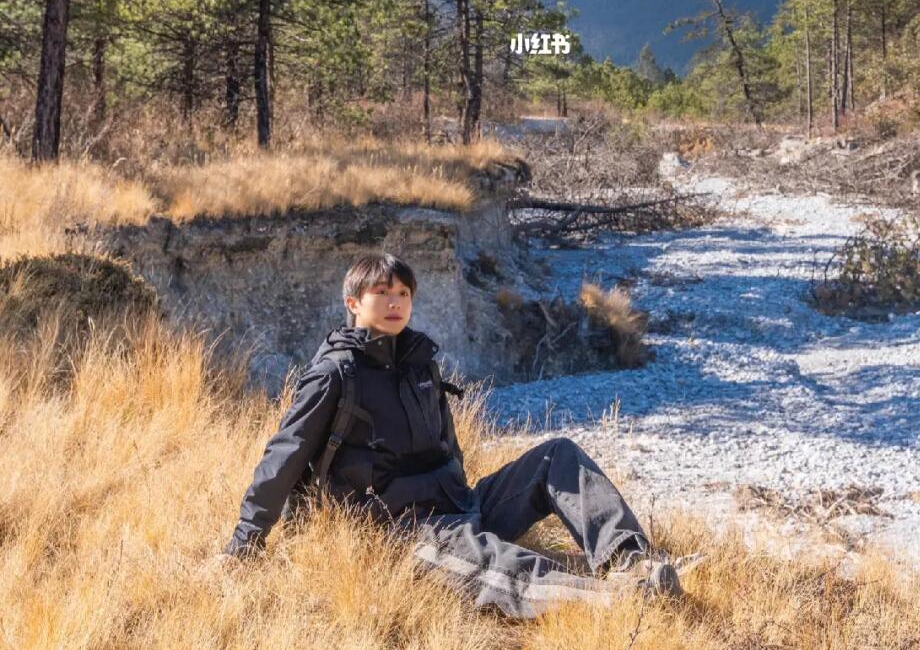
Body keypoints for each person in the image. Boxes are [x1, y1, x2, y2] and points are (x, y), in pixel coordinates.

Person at [223, 249, 684, 617]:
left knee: (557, 456)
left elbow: (449, 445)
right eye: (381, 292)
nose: (394, 302)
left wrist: (464, 496)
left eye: (403, 292)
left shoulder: (420, 363)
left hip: (458, 505)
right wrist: (245, 541)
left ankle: (630, 561)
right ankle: (621, 604)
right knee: (496, 566)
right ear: (353, 303)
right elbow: (284, 454)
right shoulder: (335, 374)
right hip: (398, 530)